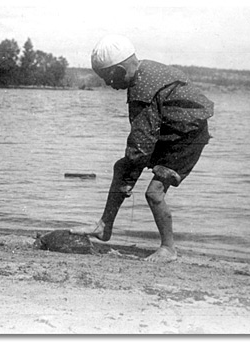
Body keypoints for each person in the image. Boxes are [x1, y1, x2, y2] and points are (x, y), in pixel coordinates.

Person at [71, 34, 213, 262]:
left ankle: (169, 249)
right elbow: (144, 139)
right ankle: (104, 227)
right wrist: (127, 172)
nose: (109, 85)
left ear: (118, 71)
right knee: (123, 168)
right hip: (171, 130)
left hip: (186, 138)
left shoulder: (142, 90)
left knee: (153, 193)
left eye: (108, 79)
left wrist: (130, 170)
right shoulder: (145, 69)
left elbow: (141, 143)